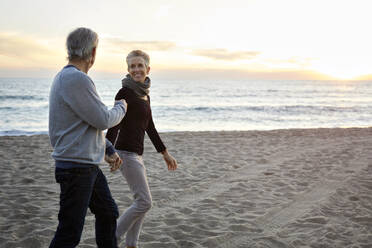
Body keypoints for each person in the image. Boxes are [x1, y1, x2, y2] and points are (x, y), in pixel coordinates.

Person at [48, 27, 127, 248]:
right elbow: (103, 119)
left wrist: (108, 147)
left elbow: (84, 124)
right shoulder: (76, 79)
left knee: (108, 212)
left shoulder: (67, 78)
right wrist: (122, 106)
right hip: (76, 168)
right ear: (92, 53)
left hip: (85, 165)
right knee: (69, 233)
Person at [106, 50, 178, 248]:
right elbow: (114, 123)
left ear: (148, 68)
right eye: (132, 66)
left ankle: (132, 244)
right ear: (128, 70)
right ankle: (112, 238)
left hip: (137, 154)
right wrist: (108, 149)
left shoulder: (145, 95)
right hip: (124, 153)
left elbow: (150, 127)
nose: (136, 69)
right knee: (145, 202)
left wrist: (165, 153)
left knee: (141, 201)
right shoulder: (124, 93)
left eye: (140, 65)